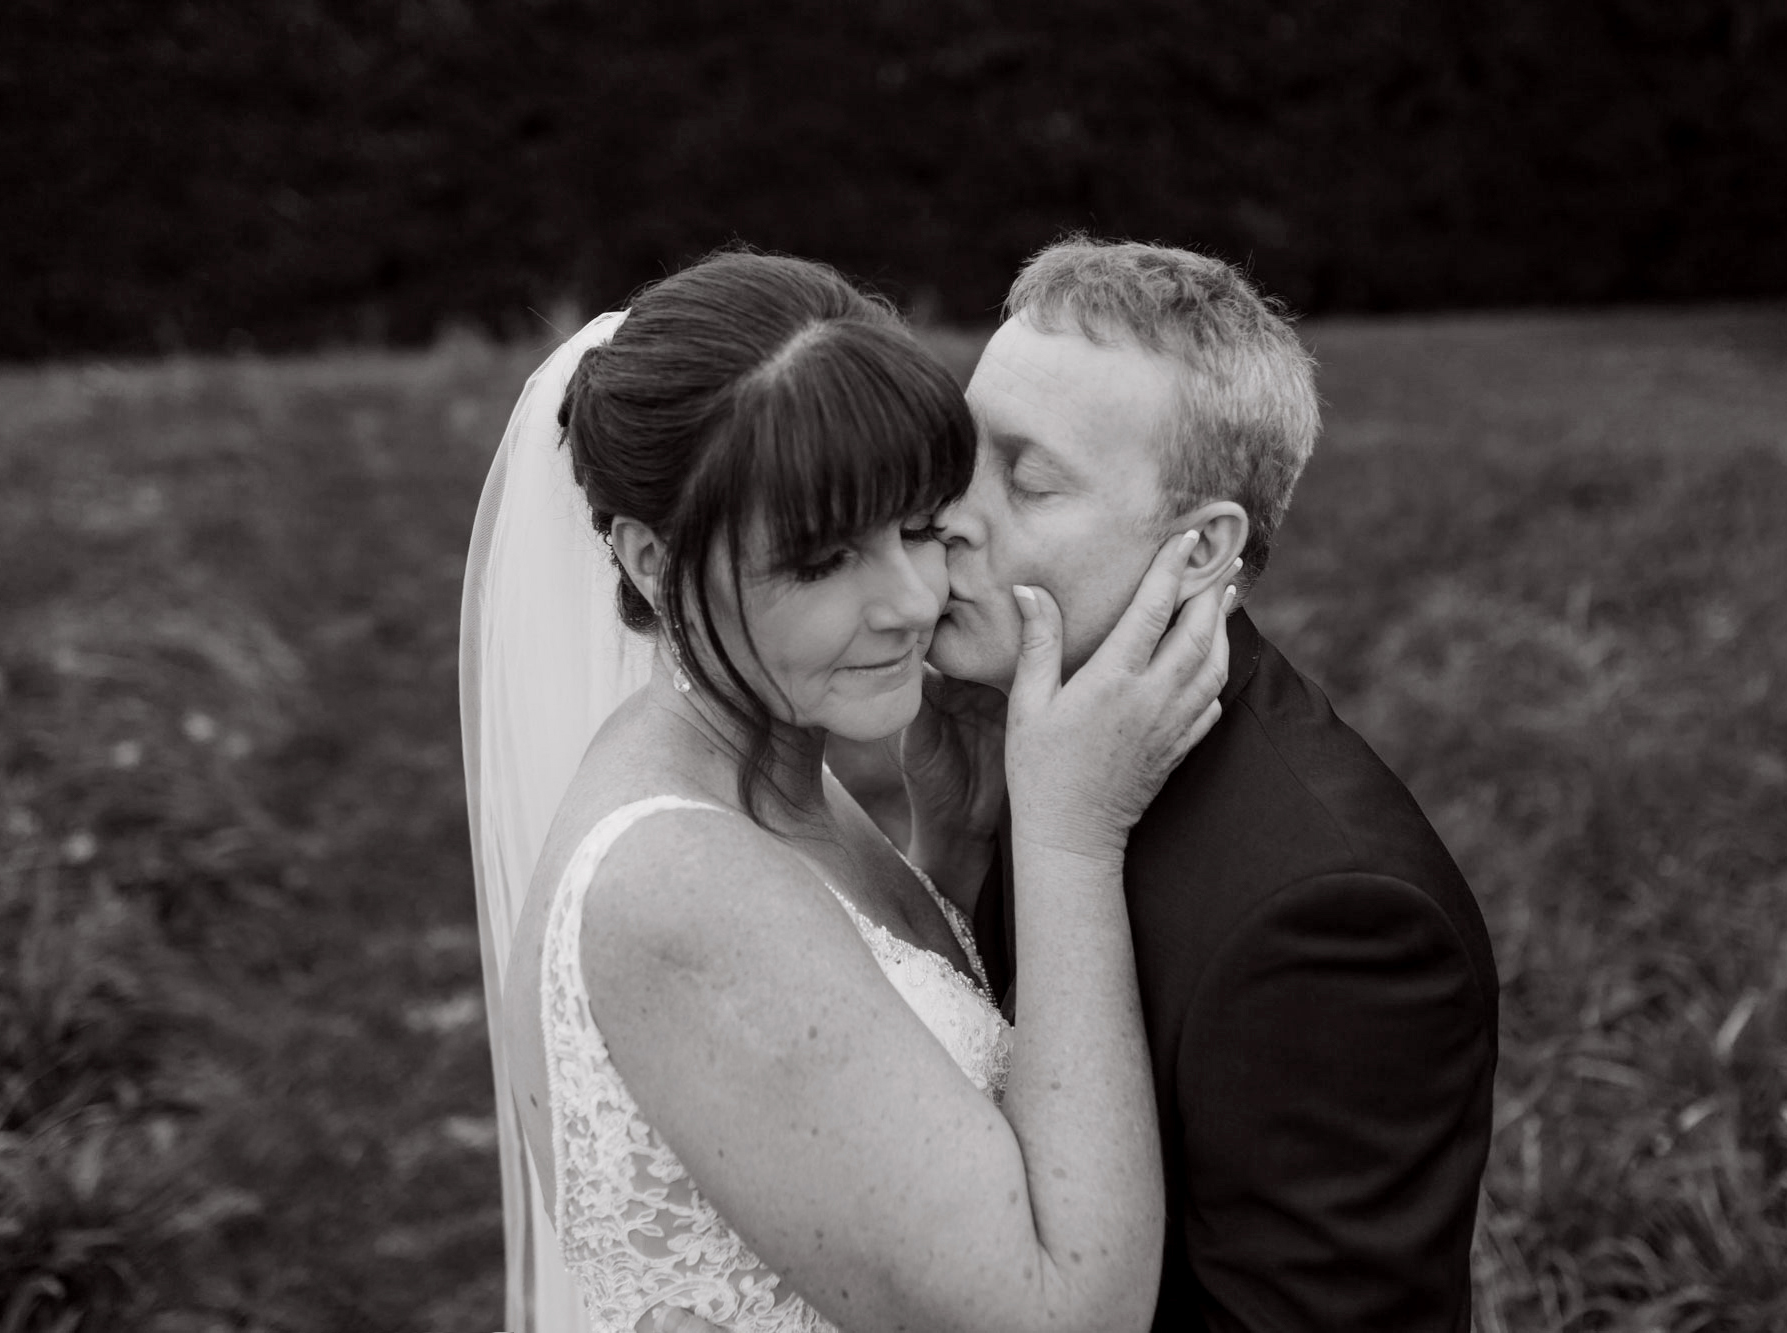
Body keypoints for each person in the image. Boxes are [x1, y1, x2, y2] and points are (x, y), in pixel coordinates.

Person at [460, 249, 1233, 1333]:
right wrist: (1066, 838)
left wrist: (952, 853)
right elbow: (1061, 1315)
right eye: (824, 561)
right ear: (648, 559)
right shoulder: (678, 885)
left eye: (916, 525)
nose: (913, 599)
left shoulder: (761, 775)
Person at [922, 238, 1500, 1331]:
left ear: (1197, 554)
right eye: (959, 450)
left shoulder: (1332, 917)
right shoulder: (1037, 732)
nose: (951, 510)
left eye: (1026, 477)